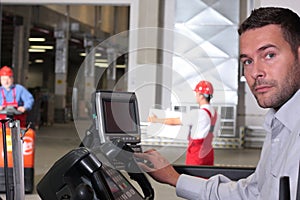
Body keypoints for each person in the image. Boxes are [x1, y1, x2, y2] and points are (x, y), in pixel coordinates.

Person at [135, 7, 300, 200]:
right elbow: (252, 193)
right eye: (247, 61)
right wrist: (175, 179)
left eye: (269, 55)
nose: (256, 72)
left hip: (197, 153)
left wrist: (156, 119)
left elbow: (178, 121)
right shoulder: (277, 125)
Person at [148, 80, 218, 166]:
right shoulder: (216, 114)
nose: (195, 96)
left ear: (201, 95)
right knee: (207, 176)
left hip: (197, 153)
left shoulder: (197, 113)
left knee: (194, 177)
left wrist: (156, 120)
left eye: (196, 93)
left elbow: (174, 121)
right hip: (208, 152)